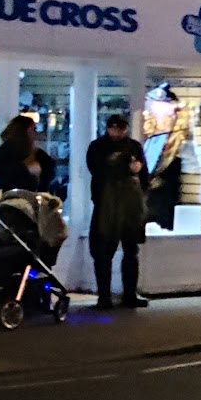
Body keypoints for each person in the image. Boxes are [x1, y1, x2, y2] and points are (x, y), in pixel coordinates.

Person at [85, 112, 149, 310]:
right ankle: (104, 296)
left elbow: (143, 173)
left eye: (120, 128)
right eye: (114, 128)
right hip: (107, 205)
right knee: (104, 251)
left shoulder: (134, 146)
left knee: (131, 250)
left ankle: (129, 294)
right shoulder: (98, 147)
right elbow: (97, 169)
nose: (117, 132)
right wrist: (127, 167)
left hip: (129, 205)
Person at [0, 114, 54, 195]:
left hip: (29, 198)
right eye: (33, 130)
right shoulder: (6, 151)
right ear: (23, 131)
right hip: (8, 198)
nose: (35, 134)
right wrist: (26, 169)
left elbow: (49, 168)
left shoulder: (36, 153)